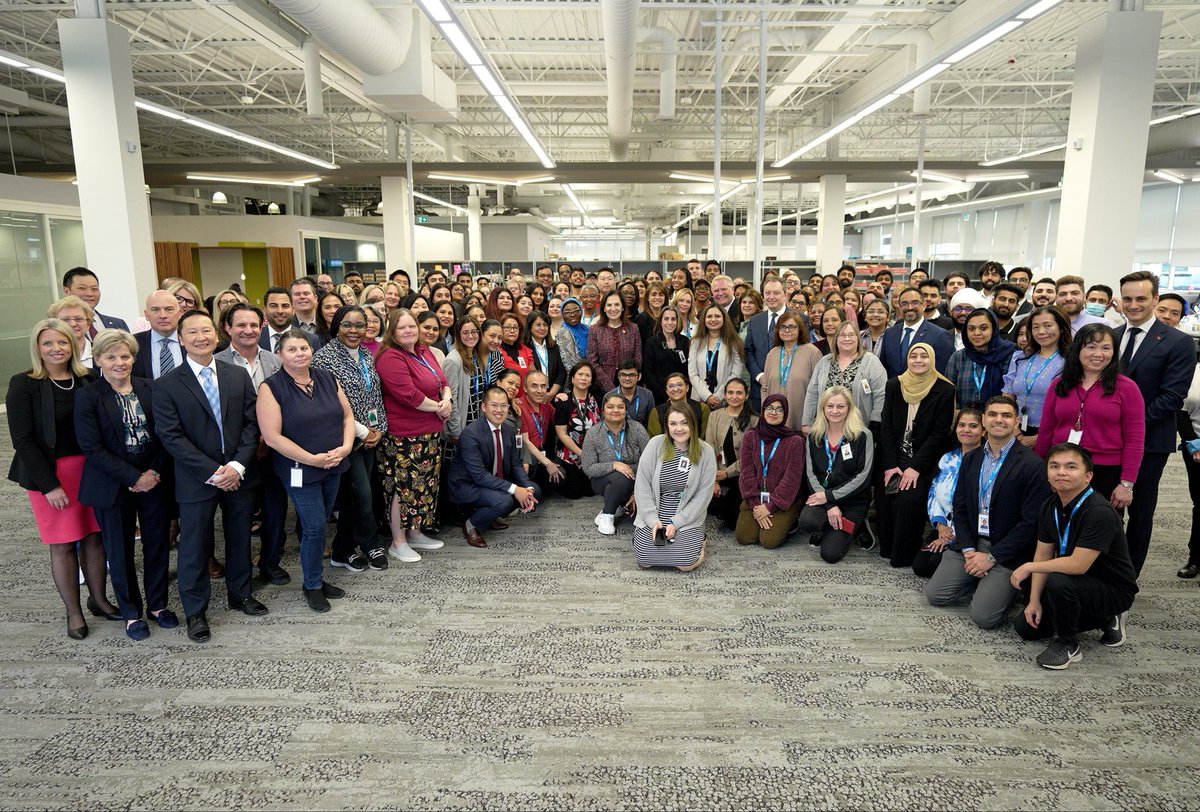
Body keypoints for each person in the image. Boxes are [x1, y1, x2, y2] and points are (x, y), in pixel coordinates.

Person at [152, 309, 267, 644]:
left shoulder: (236, 375)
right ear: (181, 338)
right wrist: (212, 471)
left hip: (238, 473)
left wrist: (237, 467)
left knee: (239, 536)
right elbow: (171, 436)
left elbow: (250, 425)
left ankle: (240, 593)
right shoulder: (167, 385)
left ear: (216, 333)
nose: (201, 337)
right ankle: (196, 610)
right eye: (192, 333)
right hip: (195, 478)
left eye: (206, 330)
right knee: (195, 544)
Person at [8, 318, 113, 641]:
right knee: (64, 544)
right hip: (51, 476)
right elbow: (22, 440)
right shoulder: (23, 384)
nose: (56, 349)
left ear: (74, 345)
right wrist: (48, 485)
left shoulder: (88, 379)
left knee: (95, 537)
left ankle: (99, 600)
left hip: (91, 470)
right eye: (48, 343)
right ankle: (73, 612)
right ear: (37, 348)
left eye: (63, 342)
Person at [75, 329, 175, 640]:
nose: (119, 362)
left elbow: (165, 435)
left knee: (157, 542)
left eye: (125, 355)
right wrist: (133, 478)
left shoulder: (150, 388)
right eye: (111, 357)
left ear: (133, 357)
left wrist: (153, 473)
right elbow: (91, 448)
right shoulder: (88, 396)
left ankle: (158, 604)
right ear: (98, 360)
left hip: (153, 476)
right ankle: (132, 612)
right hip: (112, 482)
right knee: (119, 549)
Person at [1011, 443, 1139, 670]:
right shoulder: (1050, 505)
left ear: (1088, 476)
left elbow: (1078, 565)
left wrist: (1029, 567)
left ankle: (1067, 643)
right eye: (1054, 466)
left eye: (1071, 467)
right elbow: (1043, 552)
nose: (1061, 472)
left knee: (1058, 580)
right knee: (1026, 627)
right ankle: (1103, 618)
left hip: (1112, 588)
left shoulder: (1099, 511)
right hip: (1077, 582)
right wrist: (1034, 601)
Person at [926, 395, 1049, 629]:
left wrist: (991, 557)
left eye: (1006, 415)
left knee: (984, 618)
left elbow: (1031, 523)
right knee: (935, 595)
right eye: (992, 414)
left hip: (1006, 548)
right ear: (984, 420)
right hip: (972, 542)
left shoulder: (1032, 465)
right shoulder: (972, 458)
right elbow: (960, 508)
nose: (998, 420)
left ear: (1016, 423)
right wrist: (970, 550)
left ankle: (999, 586)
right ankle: (979, 576)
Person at [256, 331, 353, 612]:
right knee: (314, 527)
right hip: (300, 468)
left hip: (333, 463)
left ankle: (317, 579)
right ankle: (312, 585)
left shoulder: (326, 377)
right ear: (280, 355)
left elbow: (347, 415)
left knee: (320, 521)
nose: (300, 353)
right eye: (292, 349)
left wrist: (346, 447)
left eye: (304, 347)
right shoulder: (271, 387)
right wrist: (312, 459)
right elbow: (272, 437)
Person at [1111, 270, 1194, 576]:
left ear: (1155, 299)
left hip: (1149, 442)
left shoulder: (1178, 342)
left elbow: (1171, 398)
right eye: (1128, 299)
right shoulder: (1113, 336)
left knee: (1140, 511)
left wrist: (1127, 426)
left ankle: (1128, 577)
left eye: (1141, 299)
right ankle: (1107, 569)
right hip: (1108, 442)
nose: (1133, 305)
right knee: (1109, 509)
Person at [311, 305, 390, 574]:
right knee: (361, 495)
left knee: (354, 497)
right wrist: (362, 431)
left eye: (359, 325)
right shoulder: (323, 358)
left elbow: (374, 396)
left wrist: (379, 429)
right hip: (343, 438)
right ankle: (370, 543)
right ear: (336, 326)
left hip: (370, 437)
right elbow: (330, 404)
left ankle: (342, 550)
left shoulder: (367, 354)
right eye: (347, 324)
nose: (353, 330)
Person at [215, 304, 288, 585]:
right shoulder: (216, 361)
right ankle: (241, 578)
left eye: (254, 325)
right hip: (237, 454)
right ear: (228, 328)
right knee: (239, 518)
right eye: (241, 325)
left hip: (273, 450)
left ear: (262, 327)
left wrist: (270, 438)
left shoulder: (275, 361)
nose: (248, 330)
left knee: (275, 510)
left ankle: (270, 562)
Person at [1035, 323, 1144, 511]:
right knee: (1059, 521)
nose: (1098, 354)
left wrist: (1126, 484)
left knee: (1100, 528)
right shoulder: (1059, 384)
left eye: (1106, 348)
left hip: (1106, 471)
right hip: (1062, 467)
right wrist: (1042, 472)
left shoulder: (1127, 388)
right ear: (1078, 349)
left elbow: (1135, 440)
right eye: (1091, 347)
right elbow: (1046, 431)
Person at [374, 308, 452, 563]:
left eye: (412, 326)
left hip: (429, 433)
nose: (408, 331)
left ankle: (416, 532)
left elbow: (443, 381)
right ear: (392, 331)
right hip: (404, 437)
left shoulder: (423, 350)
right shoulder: (390, 357)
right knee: (402, 489)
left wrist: (447, 399)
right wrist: (439, 407)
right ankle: (398, 542)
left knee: (423, 488)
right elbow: (409, 395)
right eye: (402, 327)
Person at [876, 343, 955, 567]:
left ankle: (904, 554)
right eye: (914, 356)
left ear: (932, 360)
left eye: (924, 356)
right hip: (895, 458)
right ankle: (887, 548)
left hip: (925, 460)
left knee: (909, 498)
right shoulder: (894, 385)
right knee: (886, 494)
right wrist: (891, 464)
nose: (918, 360)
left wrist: (916, 467)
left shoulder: (945, 389)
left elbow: (939, 433)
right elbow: (887, 428)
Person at [447, 387, 540, 548]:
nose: (499, 410)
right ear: (484, 407)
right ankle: (472, 525)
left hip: (492, 480)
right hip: (466, 485)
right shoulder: (471, 434)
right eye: (494, 405)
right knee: (504, 501)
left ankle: (490, 516)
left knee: (535, 490)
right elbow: (479, 476)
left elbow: (516, 464)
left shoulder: (508, 430)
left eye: (504, 406)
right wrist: (515, 490)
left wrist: (527, 487)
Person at [632, 403, 717, 571]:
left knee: (685, 563)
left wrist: (677, 522)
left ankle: (701, 539)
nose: (679, 428)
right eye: (673, 423)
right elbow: (642, 486)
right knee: (644, 560)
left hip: (686, 515)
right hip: (655, 511)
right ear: (667, 426)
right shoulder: (656, 444)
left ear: (692, 424)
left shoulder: (706, 451)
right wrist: (652, 520)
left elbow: (703, 497)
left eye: (684, 423)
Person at [797, 386, 874, 564]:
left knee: (830, 554)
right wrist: (829, 503)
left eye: (841, 406)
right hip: (824, 499)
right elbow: (810, 473)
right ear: (823, 408)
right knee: (807, 521)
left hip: (852, 500)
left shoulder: (863, 435)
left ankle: (859, 525)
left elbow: (863, 475)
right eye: (830, 406)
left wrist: (829, 496)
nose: (835, 411)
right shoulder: (814, 436)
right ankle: (826, 524)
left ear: (849, 408)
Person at [913, 407, 984, 578]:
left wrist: (952, 535)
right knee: (921, 566)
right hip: (944, 525)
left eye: (973, 426)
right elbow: (933, 494)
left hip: (970, 531)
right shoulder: (948, 458)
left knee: (935, 563)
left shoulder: (986, 462)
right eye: (961, 425)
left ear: (983, 430)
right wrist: (940, 525)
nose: (966, 430)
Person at [734, 393, 803, 548]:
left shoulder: (795, 441)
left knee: (769, 541)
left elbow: (792, 479)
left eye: (779, 410)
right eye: (770, 408)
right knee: (744, 537)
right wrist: (756, 505)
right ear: (763, 410)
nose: (774, 412)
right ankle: (761, 518)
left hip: (783, 501)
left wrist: (770, 507)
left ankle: (791, 522)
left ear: (785, 414)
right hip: (756, 498)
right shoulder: (751, 436)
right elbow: (746, 472)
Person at [580, 393, 651, 535]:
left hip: (636, 479)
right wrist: (614, 465)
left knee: (641, 519)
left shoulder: (637, 429)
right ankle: (608, 515)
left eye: (620, 407)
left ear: (626, 410)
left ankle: (615, 503)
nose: (616, 410)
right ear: (603, 411)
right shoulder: (594, 432)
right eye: (610, 407)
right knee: (619, 476)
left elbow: (650, 461)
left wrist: (637, 487)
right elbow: (588, 467)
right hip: (603, 480)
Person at [802, 320, 887, 435]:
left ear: (858, 338)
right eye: (842, 335)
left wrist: (876, 422)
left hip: (858, 430)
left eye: (851, 335)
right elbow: (812, 393)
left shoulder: (871, 361)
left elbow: (881, 395)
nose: (847, 339)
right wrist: (807, 422)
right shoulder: (824, 362)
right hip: (825, 430)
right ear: (836, 339)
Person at [1002, 305, 1069, 448]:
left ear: (1061, 328)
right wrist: (1015, 430)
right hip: (1016, 429)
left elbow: (1069, 406)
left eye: (1048, 325)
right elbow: (1007, 395)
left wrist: (1038, 438)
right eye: (1035, 327)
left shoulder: (1070, 361)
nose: (1041, 332)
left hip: (1051, 433)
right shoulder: (1020, 357)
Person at [706, 378, 757, 530]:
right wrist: (714, 480)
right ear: (725, 395)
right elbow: (709, 447)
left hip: (742, 476)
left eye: (739, 393)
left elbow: (752, 457)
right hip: (717, 474)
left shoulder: (754, 420)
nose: (734, 396)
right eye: (730, 393)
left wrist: (727, 473)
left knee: (732, 522)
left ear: (746, 395)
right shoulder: (714, 416)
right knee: (711, 505)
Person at [759, 310, 822, 434]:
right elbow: (765, 387)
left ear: (800, 329)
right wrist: (766, 411)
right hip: (773, 421)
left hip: (801, 423)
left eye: (792, 327)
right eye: (783, 327)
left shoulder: (812, 352)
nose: (787, 330)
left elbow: (819, 389)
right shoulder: (772, 353)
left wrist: (810, 420)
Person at [945, 308, 1017, 410]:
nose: (976, 333)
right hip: (965, 421)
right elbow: (949, 393)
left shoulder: (1009, 354)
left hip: (998, 420)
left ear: (994, 329)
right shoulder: (958, 357)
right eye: (971, 329)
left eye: (983, 328)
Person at [879, 286, 954, 378]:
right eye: (904, 303)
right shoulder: (889, 333)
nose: (910, 307)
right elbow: (883, 368)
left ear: (924, 305)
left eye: (915, 303)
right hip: (893, 390)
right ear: (899, 306)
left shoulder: (939, 335)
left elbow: (941, 373)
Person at [554, 361, 602, 499]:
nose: (583, 378)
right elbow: (562, 434)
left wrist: (592, 454)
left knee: (590, 492)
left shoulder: (598, 400)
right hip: (571, 455)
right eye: (580, 374)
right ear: (572, 378)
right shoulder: (563, 401)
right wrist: (582, 453)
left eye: (587, 375)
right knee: (574, 494)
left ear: (591, 380)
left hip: (592, 454)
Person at [687, 304, 746, 411]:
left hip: (725, 400)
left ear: (724, 318)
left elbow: (736, 373)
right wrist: (707, 396)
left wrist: (718, 396)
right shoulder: (696, 342)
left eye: (717, 316)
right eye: (709, 316)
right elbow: (692, 373)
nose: (713, 319)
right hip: (699, 400)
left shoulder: (734, 342)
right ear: (704, 319)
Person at [587, 291, 642, 394]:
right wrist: (610, 388)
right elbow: (592, 361)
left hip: (629, 385)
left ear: (622, 307)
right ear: (604, 308)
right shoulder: (595, 330)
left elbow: (637, 358)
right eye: (609, 305)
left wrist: (628, 381)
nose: (613, 309)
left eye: (617, 305)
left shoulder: (633, 328)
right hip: (601, 388)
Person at [1177, 360, 1200, 579]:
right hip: (1196, 449)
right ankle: (1196, 559)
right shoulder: (1191, 371)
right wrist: (1192, 441)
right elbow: (1179, 410)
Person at [642, 306, 690, 406]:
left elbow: (688, 370)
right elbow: (648, 373)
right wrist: (666, 394)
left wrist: (682, 393)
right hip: (660, 397)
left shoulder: (685, 341)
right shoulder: (651, 343)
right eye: (666, 319)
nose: (670, 322)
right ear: (660, 321)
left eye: (673, 319)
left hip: (682, 395)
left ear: (678, 321)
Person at [131, 290, 183, 380]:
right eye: (155, 310)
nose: (163, 315)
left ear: (179, 313)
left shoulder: (192, 341)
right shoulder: (133, 344)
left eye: (169, 309)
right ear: (146, 315)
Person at [62, 266, 129, 335]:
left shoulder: (118, 325)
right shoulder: (59, 326)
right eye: (82, 288)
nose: (90, 294)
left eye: (94, 289)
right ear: (67, 291)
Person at [648, 371, 709, 438]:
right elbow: (656, 441)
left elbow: (705, 438)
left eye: (679, 385)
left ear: (687, 387)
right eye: (671, 386)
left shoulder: (702, 408)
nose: (676, 389)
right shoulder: (657, 412)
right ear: (666, 390)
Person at [526, 310, 565, 398]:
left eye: (545, 325)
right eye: (538, 325)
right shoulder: (525, 348)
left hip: (553, 395)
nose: (542, 328)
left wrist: (551, 393)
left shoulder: (554, 347)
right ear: (530, 326)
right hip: (532, 395)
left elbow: (561, 372)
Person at [607, 359, 653, 427]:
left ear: (639, 376)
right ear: (618, 377)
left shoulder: (647, 395)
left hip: (640, 435)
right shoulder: (609, 397)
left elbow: (651, 423)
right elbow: (606, 424)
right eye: (623, 375)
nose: (627, 378)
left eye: (631, 375)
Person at [556, 297, 588, 370]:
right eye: (567, 312)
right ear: (562, 314)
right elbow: (571, 362)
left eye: (576, 311)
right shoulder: (563, 332)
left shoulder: (587, 328)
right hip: (576, 375)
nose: (572, 315)